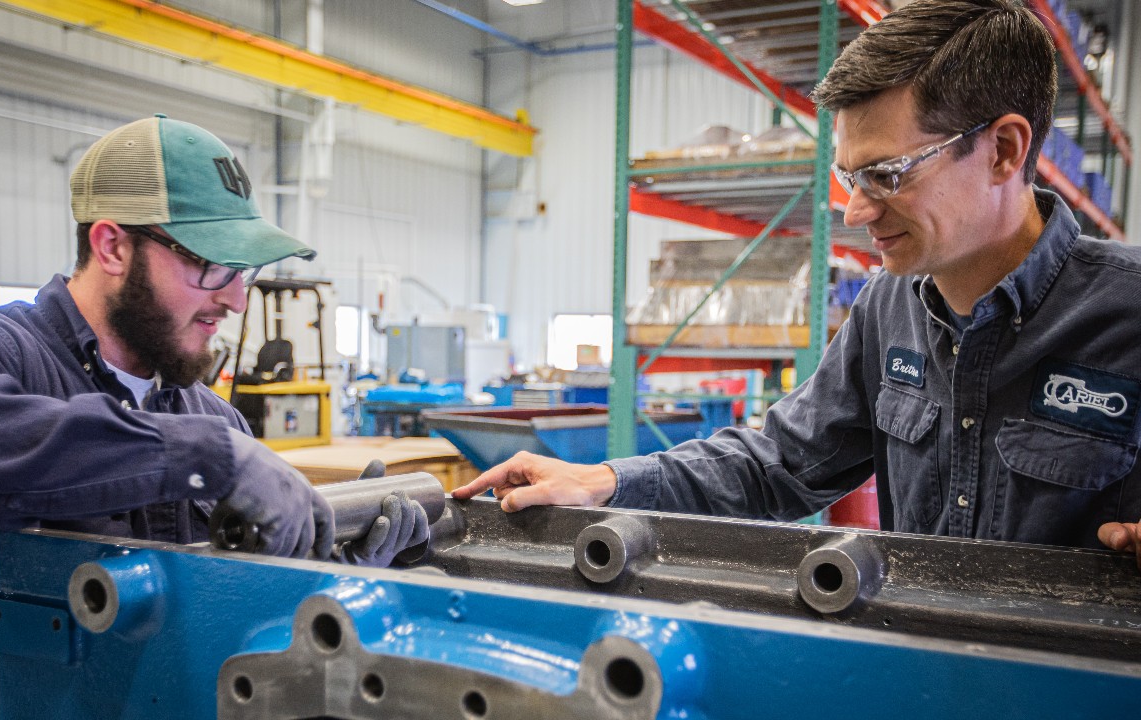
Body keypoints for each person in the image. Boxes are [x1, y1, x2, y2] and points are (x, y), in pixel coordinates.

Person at [455, 0, 1141, 566]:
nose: (856, 211)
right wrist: (604, 480)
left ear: (1004, 149)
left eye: (888, 174)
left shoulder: (1128, 317)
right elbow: (777, 463)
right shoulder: (886, 310)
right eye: (851, 177)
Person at [0, 115, 428, 720]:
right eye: (213, 265)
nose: (235, 299)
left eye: (245, 272)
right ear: (112, 246)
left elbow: (233, 627)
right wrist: (201, 459)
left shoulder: (213, 416)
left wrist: (336, 574)